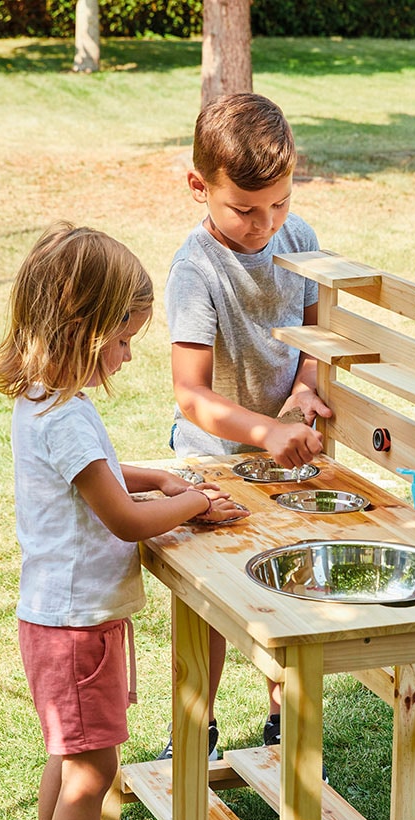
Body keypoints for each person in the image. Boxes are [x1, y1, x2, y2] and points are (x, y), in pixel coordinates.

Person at [0, 223, 248, 820]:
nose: (129, 356)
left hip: (59, 619)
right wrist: (190, 504)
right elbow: (122, 519)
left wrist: (157, 476)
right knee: (92, 772)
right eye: (123, 340)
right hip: (75, 630)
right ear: (85, 328)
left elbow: (97, 473)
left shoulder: (45, 400)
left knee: (67, 761)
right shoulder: (64, 414)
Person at [160, 91, 332, 761]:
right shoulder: (195, 270)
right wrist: (263, 431)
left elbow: (321, 337)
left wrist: (306, 388)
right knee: (211, 604)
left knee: (286, 585)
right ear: (200, 186)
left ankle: (281, 724)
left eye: (280, 204)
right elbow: (191, 397)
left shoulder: (303, 240)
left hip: (285, 458)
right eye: (244, 209)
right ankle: (194, 729)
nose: (265, 225)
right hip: (212, 461)